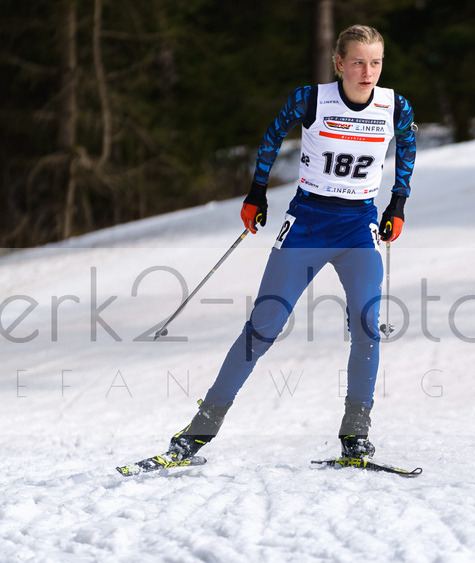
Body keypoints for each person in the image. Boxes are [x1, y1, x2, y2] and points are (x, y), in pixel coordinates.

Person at [165, 24, 416, 467]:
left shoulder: (394, 105)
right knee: (264, 327)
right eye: (358, 62)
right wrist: (256, 193)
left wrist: (397, 202)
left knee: (367, 326)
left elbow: (409, 146)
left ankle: (355, 435)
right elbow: (271, 137)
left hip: (358, 227)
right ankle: (197, 432)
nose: (367, 72)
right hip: (307, 225)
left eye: (375, 63)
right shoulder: (312, 99)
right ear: (339, 63)